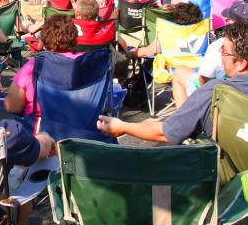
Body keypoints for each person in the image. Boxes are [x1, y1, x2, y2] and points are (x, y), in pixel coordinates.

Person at [98, 21, 248, 144]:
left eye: (224, 51)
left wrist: (122, 126)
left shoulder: (216, 93)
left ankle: (187, 125)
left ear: (241, 63)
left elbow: (166, 133)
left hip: (231, 175)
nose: (220, 54)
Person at [172, 1, 248, 107]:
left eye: (228, 19)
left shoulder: (219, 45)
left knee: (180, 71)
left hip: (220, 98)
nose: (225, 21)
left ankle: (184, 118)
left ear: (234, 23)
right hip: (240, 99)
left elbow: (204, 80)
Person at [5, 15, 81, 119]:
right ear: (75, 36)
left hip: (40, 127)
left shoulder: (33, 66)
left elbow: (12, 107)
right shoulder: (86, 63)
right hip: (81, 126)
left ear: (44, 39)